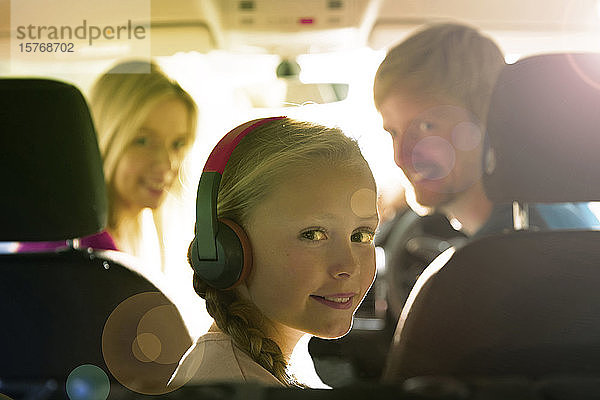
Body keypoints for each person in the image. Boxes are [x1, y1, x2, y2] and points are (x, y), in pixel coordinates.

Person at [169, 117, 379, 387]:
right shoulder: (233, 386)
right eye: (313, 234)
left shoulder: (287, 361)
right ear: (227, 248)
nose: (347, 265)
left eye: (361, 235)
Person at [374, 22, 598, 239]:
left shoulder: (506, 257)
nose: (401, 157)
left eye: (427, 127)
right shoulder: (556, 213)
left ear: (488, 121)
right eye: (393, 133)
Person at [17, 60, 198, 269]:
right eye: (143, 141)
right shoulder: (84, 252)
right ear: (105, 139)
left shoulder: (136, 232)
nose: (167, 163)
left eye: (177, 144)